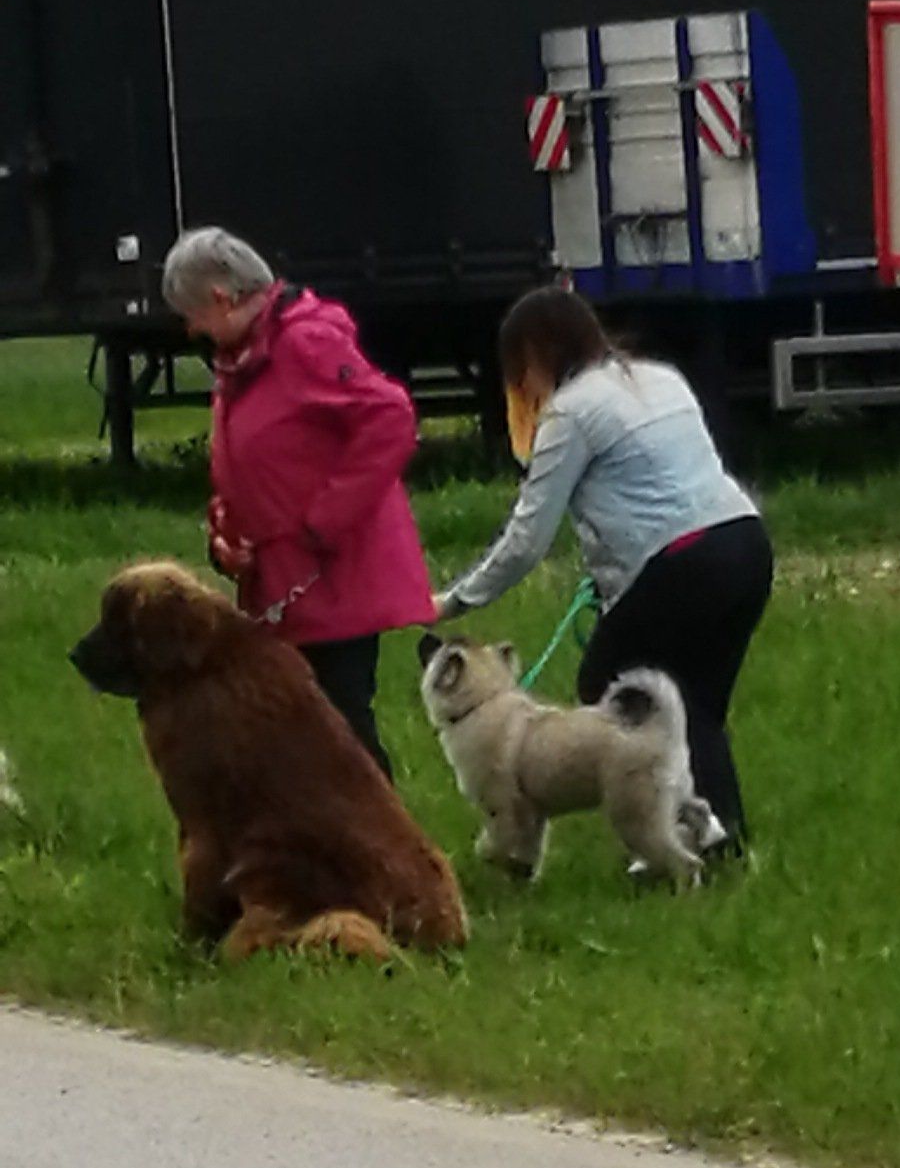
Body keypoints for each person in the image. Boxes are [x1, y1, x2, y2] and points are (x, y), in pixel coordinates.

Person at [436, 289, 773, 851]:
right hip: (746, 544)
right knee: (692, 708)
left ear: (536, 353)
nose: (520, 384)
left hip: (683, 559)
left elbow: (527, 539)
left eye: (518, 367)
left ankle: (680, 838)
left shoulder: (569, 413)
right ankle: (714, 839)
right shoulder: (660, 377)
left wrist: (455, 601)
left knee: (610, 686)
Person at [160, 227, 432, 778]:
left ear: (220, 297)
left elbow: (390, 419)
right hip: (280, 580)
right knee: (292, 737)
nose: (191, 330)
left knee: (340, 733)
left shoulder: (306, 342)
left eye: (192, 314)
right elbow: (247, 457)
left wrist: (324, 522)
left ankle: (381, 834)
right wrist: (226, 536)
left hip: (333, 577)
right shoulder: (242, 357)